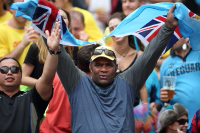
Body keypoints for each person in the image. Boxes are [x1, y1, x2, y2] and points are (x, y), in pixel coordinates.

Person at [50, 5, 178, 132]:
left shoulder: (127, 82)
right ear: (90, 67)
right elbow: (59, 54)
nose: (103, 69)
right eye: (98, 65)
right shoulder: (78, 83)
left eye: (108, 65)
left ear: (116, 67)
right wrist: (54, 44)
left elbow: (151, 54)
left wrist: (168, 27)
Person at [0, 21, 60, 133]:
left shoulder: (33, 98)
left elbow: (47, 78)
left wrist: (53, 51)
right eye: (3, 70)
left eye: (14, 69)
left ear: (21, 75)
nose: (9, 72)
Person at [159, 37, 200, 126]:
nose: (171, 39)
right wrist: (164, 99)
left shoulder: (198, 54)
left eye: (175, 36)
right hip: (181, 124)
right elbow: (166, 100)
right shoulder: (166, 65)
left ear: (186, 38)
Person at [0, 0, 38, 65]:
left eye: (26, 6)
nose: (24, 10)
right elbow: (2, 63)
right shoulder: (2, 30)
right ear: (10, 8)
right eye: (20, 6)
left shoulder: (35, 27)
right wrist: (23, 44)